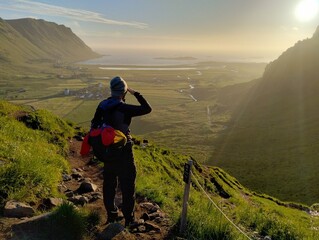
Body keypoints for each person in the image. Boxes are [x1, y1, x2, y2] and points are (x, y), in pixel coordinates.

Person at [90, 76, 152, 226]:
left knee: (109, 183)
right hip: (124, 151)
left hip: (107, 151)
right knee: (127, 185)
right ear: (123, 92)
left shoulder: (103, 105)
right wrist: (135, 93)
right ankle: (129, 220)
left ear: (111, 90)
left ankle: (111, 215)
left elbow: (94, 124)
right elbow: (147, 108)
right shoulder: (123, 108)